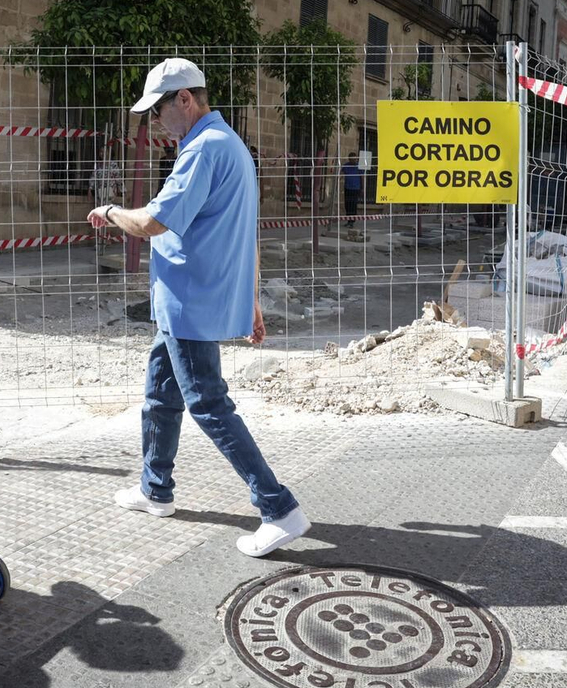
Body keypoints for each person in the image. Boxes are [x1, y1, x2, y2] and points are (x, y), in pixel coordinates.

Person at [87, 58, 308, 558]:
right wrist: (251, 300)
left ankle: (278, 508)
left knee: (208, 403)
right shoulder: (230, 145)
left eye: (158, 111)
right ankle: (154, 489)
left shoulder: (203, 150)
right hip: (186, 299)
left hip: (191, 298)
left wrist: (109, 212)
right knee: (161, 395)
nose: (155, 122)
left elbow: (152, 223)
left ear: (183, 99)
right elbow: (245, 231)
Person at [341, 157, 363, 224]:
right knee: (347, 204)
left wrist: (362, 188)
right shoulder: (346, 166)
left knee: (353, 204)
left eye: (355, 159)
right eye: (352, 159)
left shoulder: (359, 166)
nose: (354, 161)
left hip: (355, 188)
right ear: (349, 159)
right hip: (347, 188)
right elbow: (341, 173)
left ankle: (352, 220)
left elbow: (362, 177)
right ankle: (348, 219)